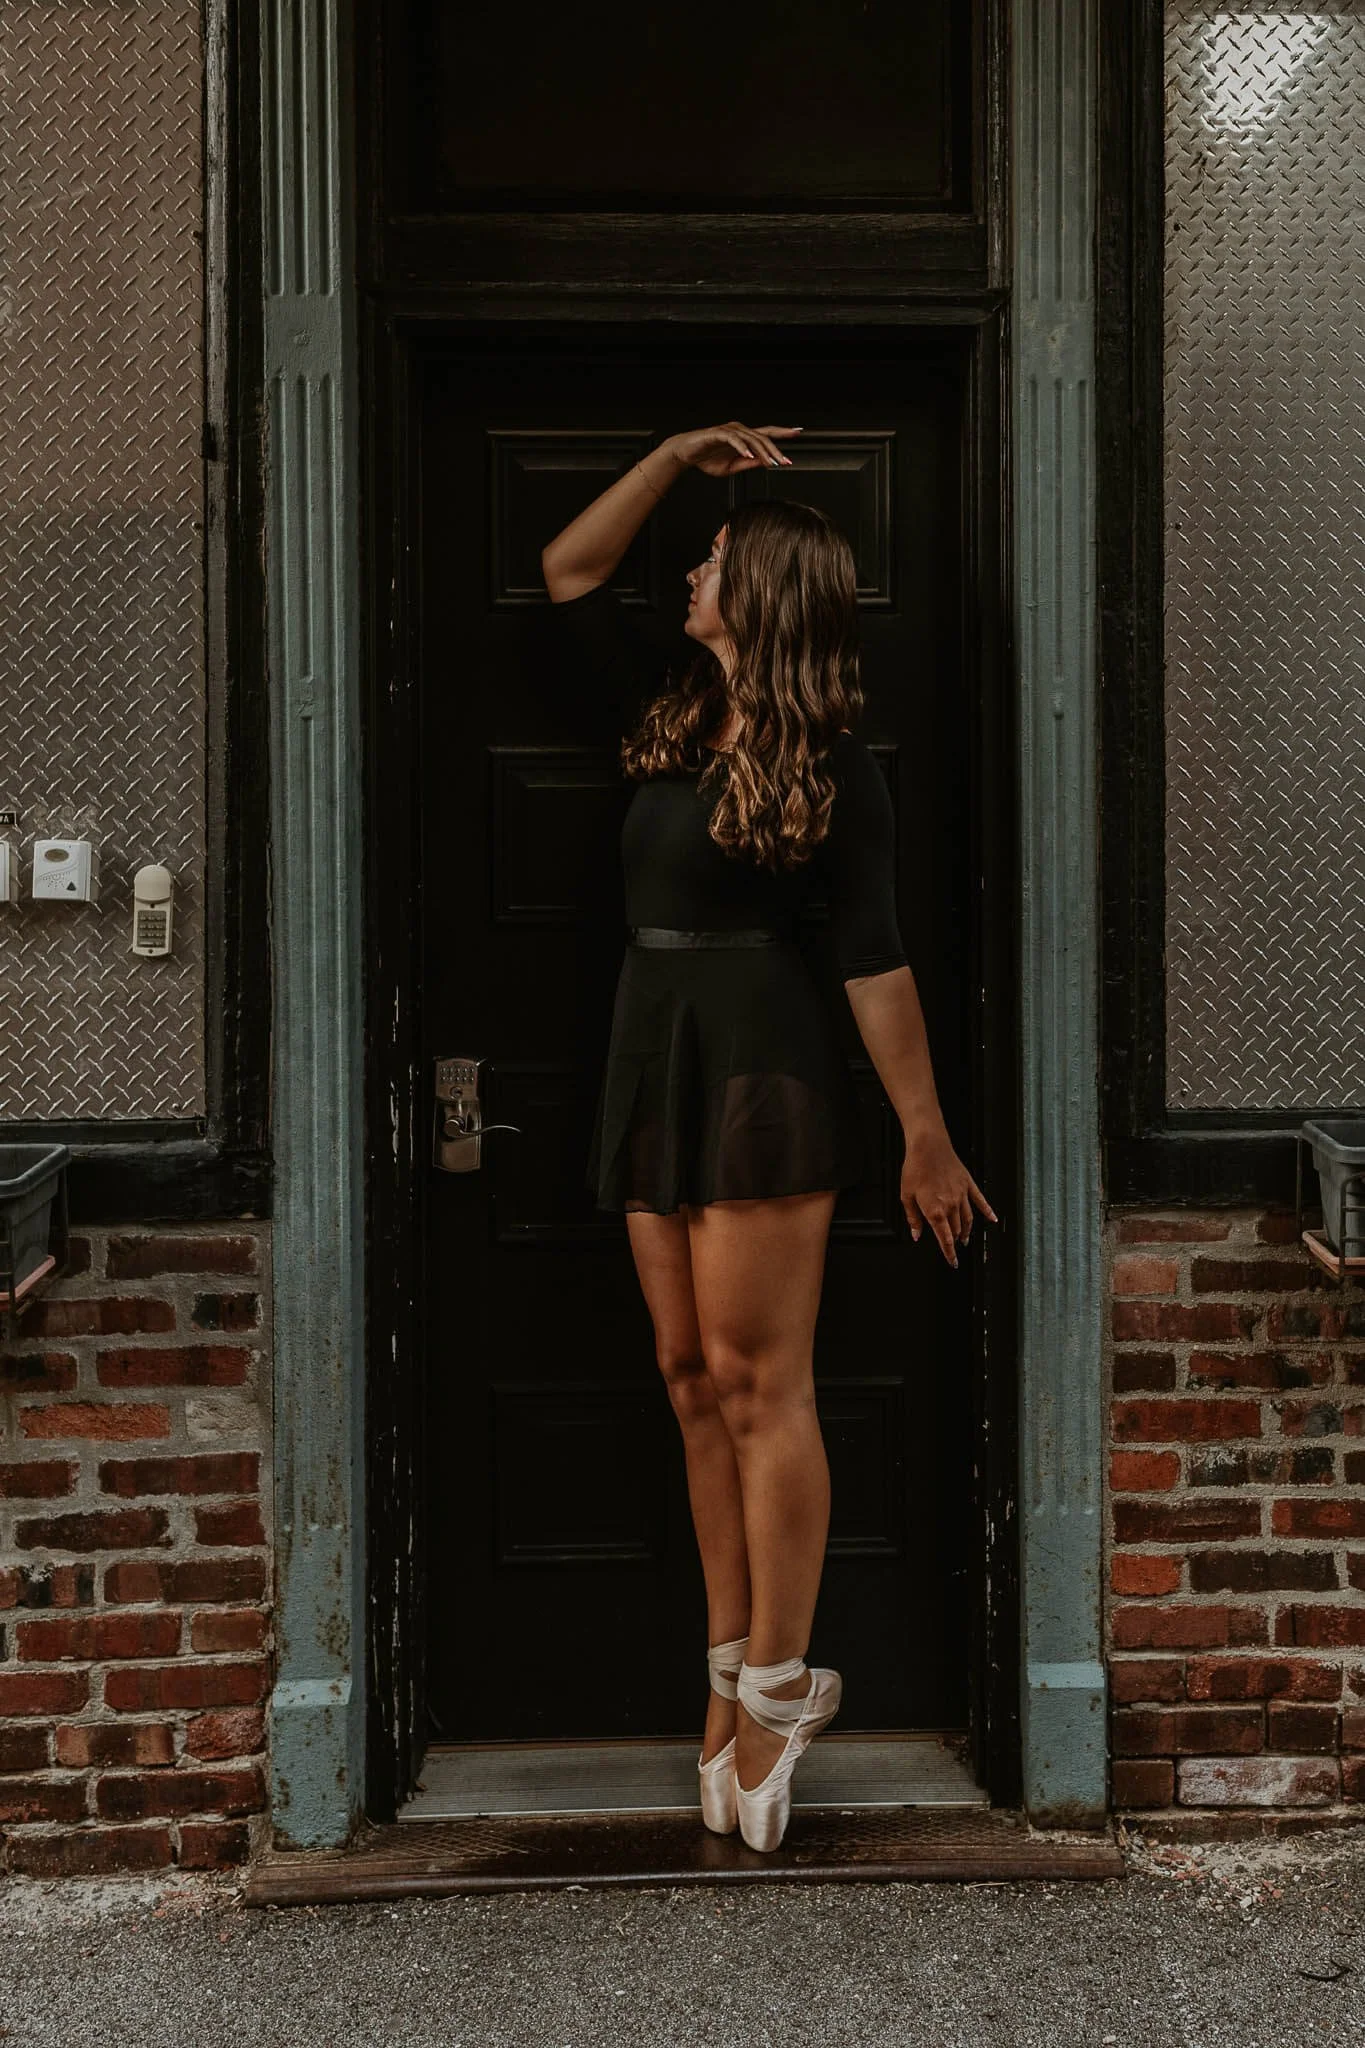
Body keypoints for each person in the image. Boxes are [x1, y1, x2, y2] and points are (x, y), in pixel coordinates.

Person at [541, 419, 997, 1853]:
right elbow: (567, 567)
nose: (692, 573)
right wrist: (676, 459)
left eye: (717, 558)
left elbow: (875, 961)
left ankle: (785, 1687)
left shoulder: (837, 767)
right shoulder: (674, 709)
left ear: (766, 592)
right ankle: (730, 1671)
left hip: (761, 1076)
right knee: (688, 1382)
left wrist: (925, 1135)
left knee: (760, 1385)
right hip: (653, 1059)